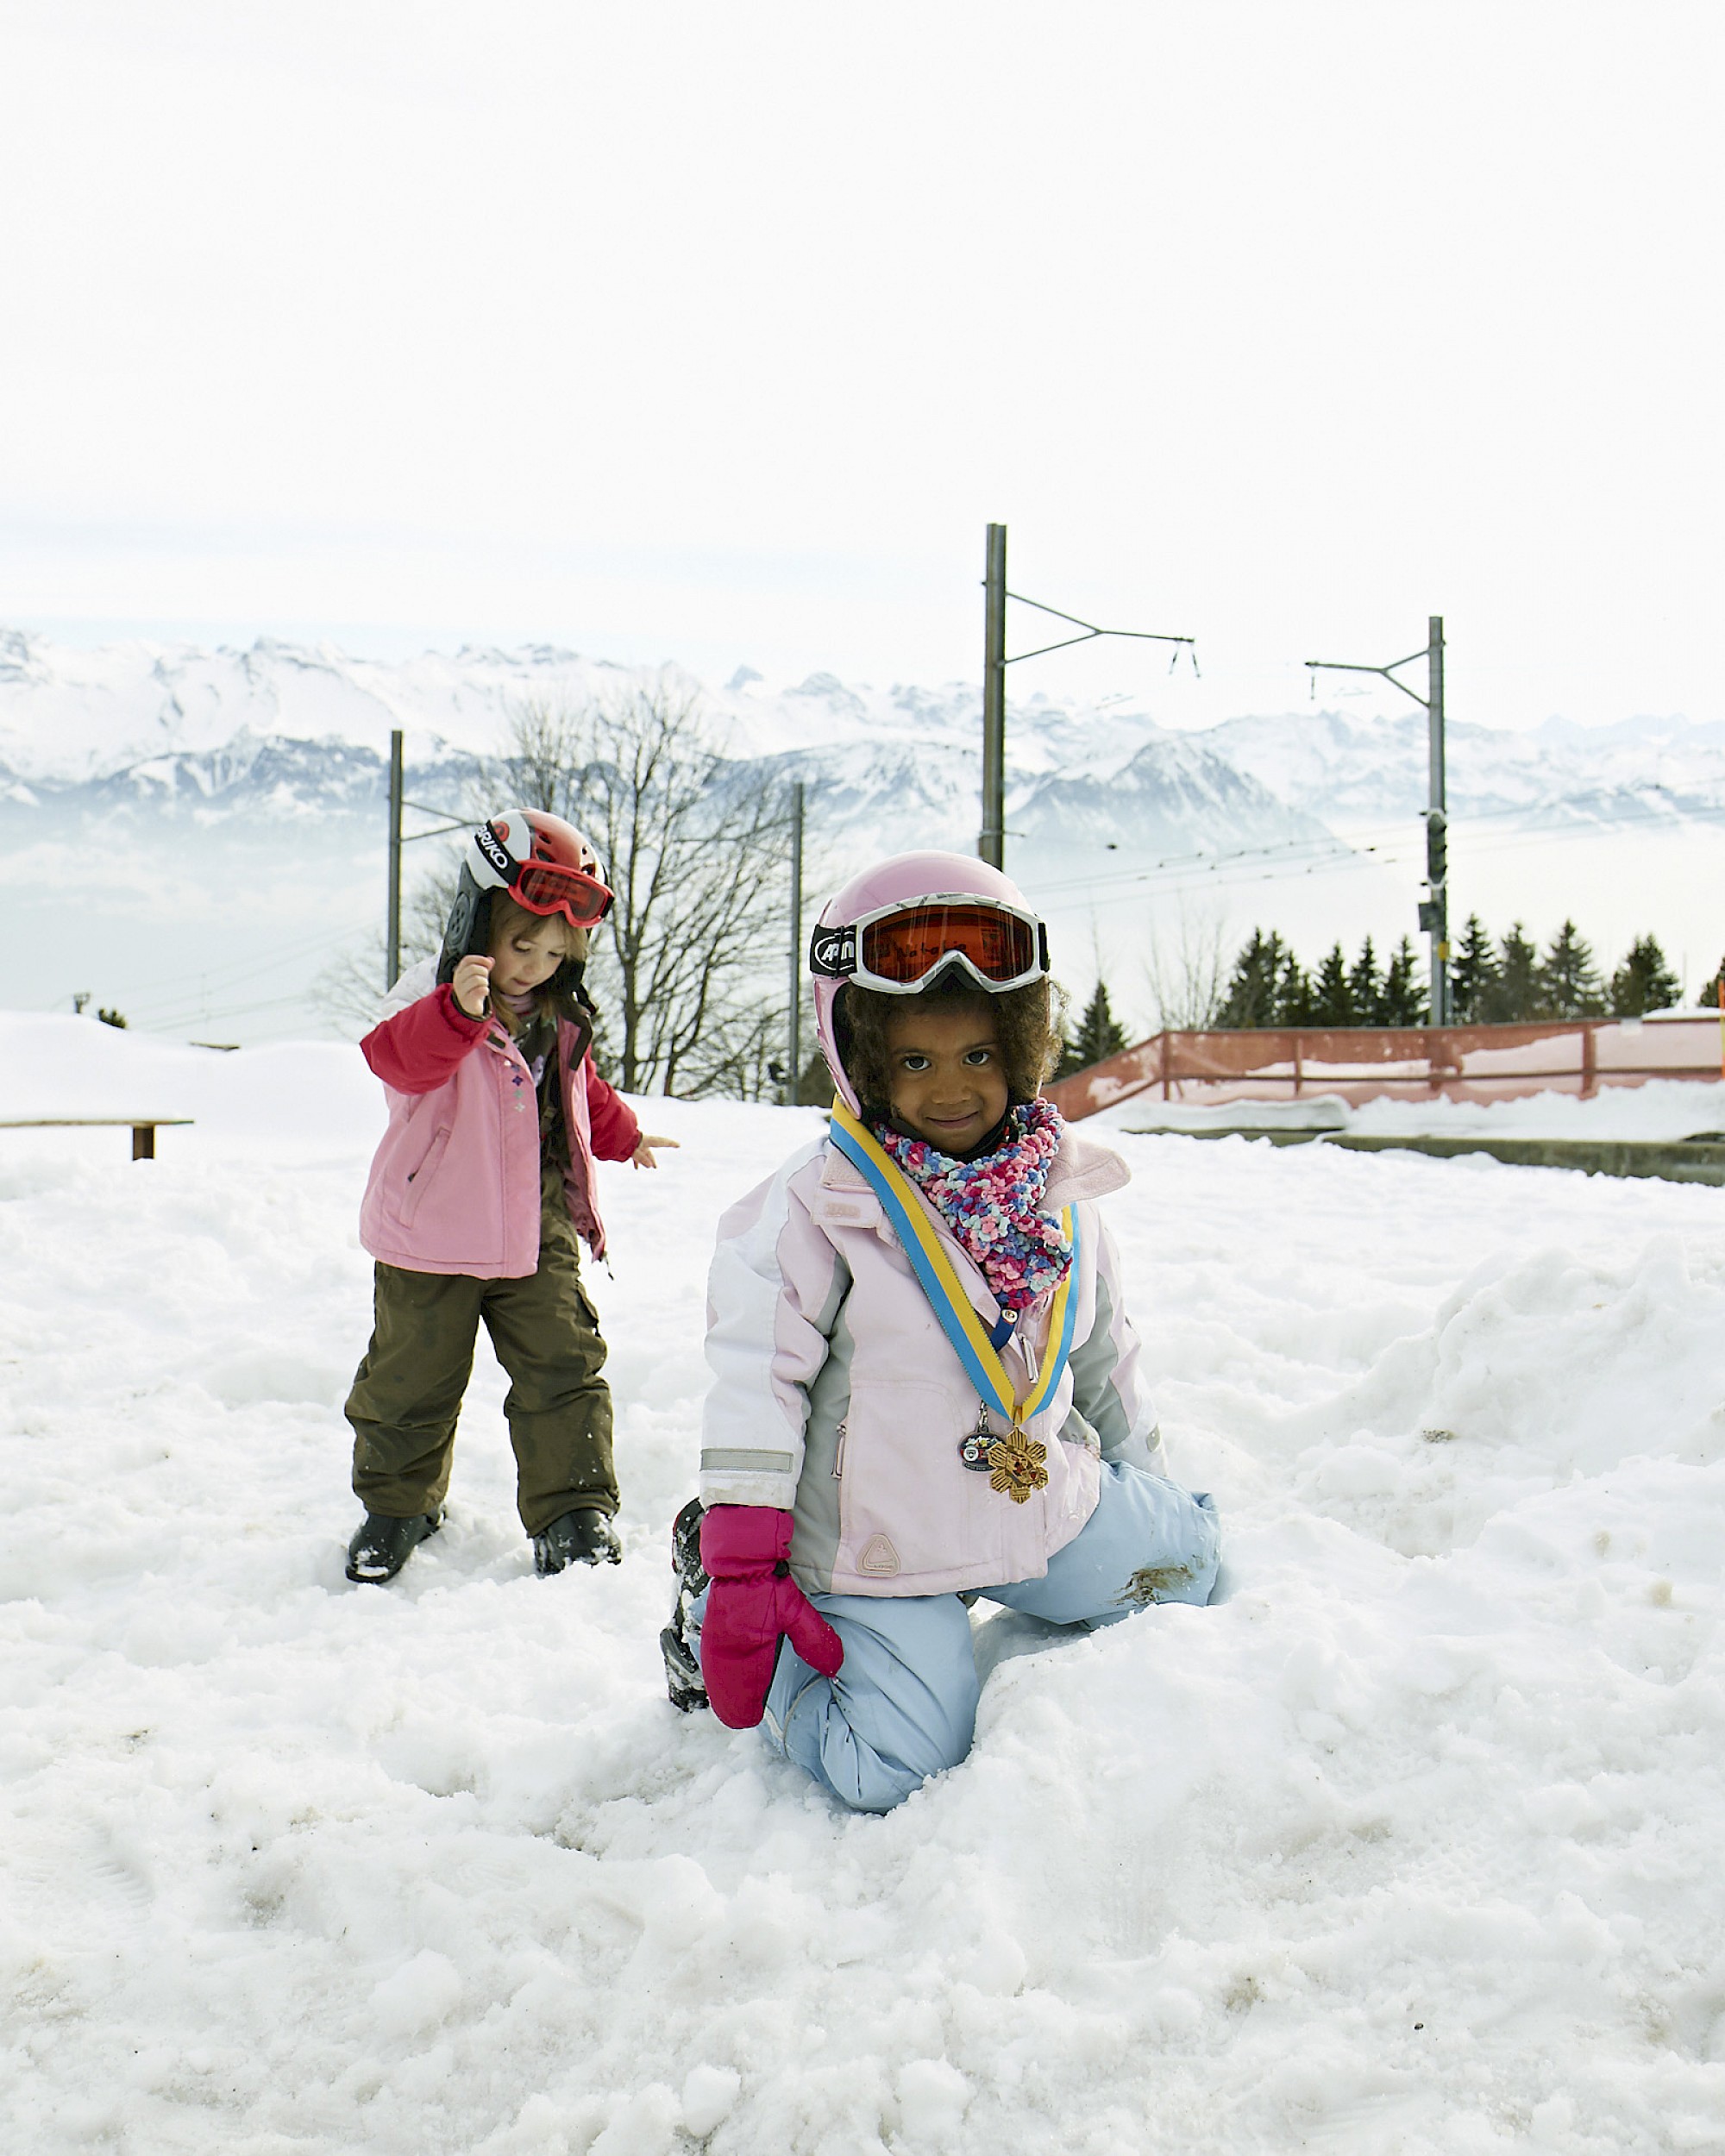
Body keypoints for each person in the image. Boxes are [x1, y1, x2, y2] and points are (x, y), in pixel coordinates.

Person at [661, 850, 1219, 1811]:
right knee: (895, 1766)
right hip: (875, 1545)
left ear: (1022, 1048)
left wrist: (1143, 1479)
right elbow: (757, 1383)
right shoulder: (812, 1208)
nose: (951, 1087)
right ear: (865, 1061)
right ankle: (708, 1602)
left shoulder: (1060, 1196)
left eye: (978, 1057)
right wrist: (746, 1561)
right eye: (914, 1061)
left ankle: (1007, 1576)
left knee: (1190, 1565)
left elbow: (1101, 1361)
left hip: (1027, 1504)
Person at [343, 808, 676, 1585]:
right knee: (409, 1383)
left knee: (564, 1369)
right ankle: (398, 1507)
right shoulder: (425, 997)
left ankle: (573, 1511)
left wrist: (623, 1134)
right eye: (520, 943)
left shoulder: (559, 1020)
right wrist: (458, 1012)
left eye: (556, 951)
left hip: (535, 1231)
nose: (533, 964)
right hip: (431, 1238)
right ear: (475, 919)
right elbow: (398, 1063)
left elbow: (578, 1089)